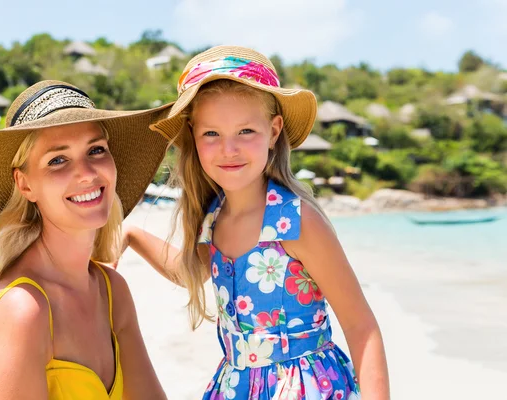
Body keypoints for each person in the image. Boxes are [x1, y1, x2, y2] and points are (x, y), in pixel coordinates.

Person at [122, 46, 390, 399]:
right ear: (193, 136)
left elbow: (361, 327)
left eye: (245, 131)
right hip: (236, 387)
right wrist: (130, 233)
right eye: (212, 134)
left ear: (274, 131)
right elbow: (184, 270)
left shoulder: (296, 221)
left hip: (308, 388)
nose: (228, 149)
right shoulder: (213, 218)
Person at [0, 80, 171, 400]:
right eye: (58, 160)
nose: (86, 173)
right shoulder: (22, 311)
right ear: (25, 184)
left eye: (96, 150)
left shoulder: (112, 292)